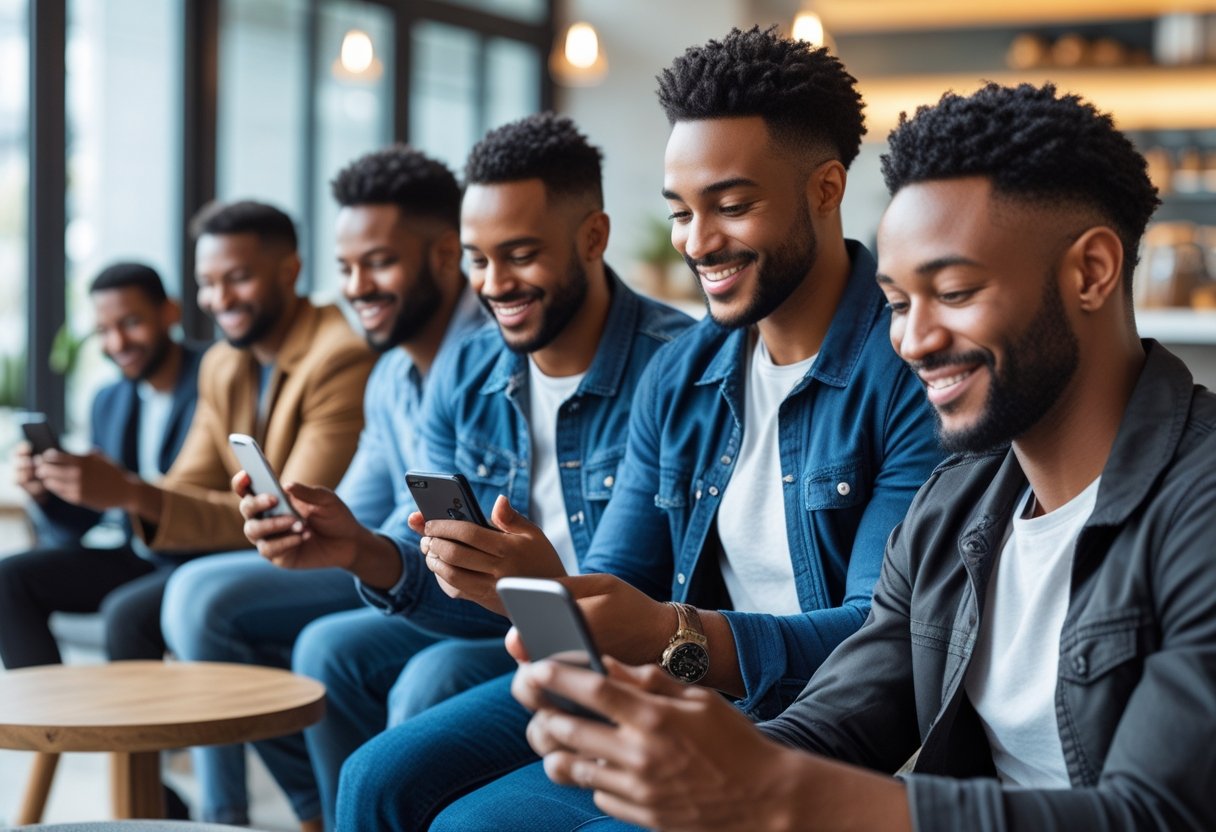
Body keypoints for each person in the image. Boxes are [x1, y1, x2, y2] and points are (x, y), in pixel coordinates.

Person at [512, 82, 1216, 832]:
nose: (912, 343)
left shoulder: (1197, 506)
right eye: (898, 303)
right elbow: (841, 720)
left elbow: (1155, 815)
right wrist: (701, 758)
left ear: (1092, 272)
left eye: (953, 291)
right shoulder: (956, 506)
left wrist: (771, 785)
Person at [336, 27, 943, 831]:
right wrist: (545, 586)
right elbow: (626, 569)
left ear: (826, 190)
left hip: (821, 726)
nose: (697, 242)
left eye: (732, 206)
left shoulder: (910, 370)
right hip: (675, 687)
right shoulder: (683, 372)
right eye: (681, 212)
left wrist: (671, 631)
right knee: (378, 778)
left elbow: (878, 634)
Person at [236, 113, 691, 831]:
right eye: (478, 260)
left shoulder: (675, 366)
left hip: (624, 657)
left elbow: (611, 614)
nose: (494, 284)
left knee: (433, 696)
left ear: (594, 239)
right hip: (518, 630)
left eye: (519, 255)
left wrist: (537, 589)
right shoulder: (467, 366)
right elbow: (456, 587)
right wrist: (360, 548)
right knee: (369, 773)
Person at [160, 145, 486, 830]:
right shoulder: (394, 373)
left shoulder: (482, 358)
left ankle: (289, 813)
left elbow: (439, 532)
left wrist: (365, 544)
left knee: (262, 619)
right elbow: (366, 505)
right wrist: (306, 522)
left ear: (441, 254)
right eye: (347, 268)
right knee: (196, 597)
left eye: (379, 262)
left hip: (463, 584)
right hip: (399, 565)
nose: (358, 286)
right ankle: (288, 814)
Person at [0, 263, 204, 668]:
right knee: (8, 578)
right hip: (135, 555)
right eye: (103, 330)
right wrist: (50, 493)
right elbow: (87, 524)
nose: (117, 342)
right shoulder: (109, 399)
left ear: (170, 313)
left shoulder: (214, 380)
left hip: (195, 555)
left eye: (131, 323)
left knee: (125, 611)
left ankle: (131, 732)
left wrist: (126, 489)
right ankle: (51, 728)